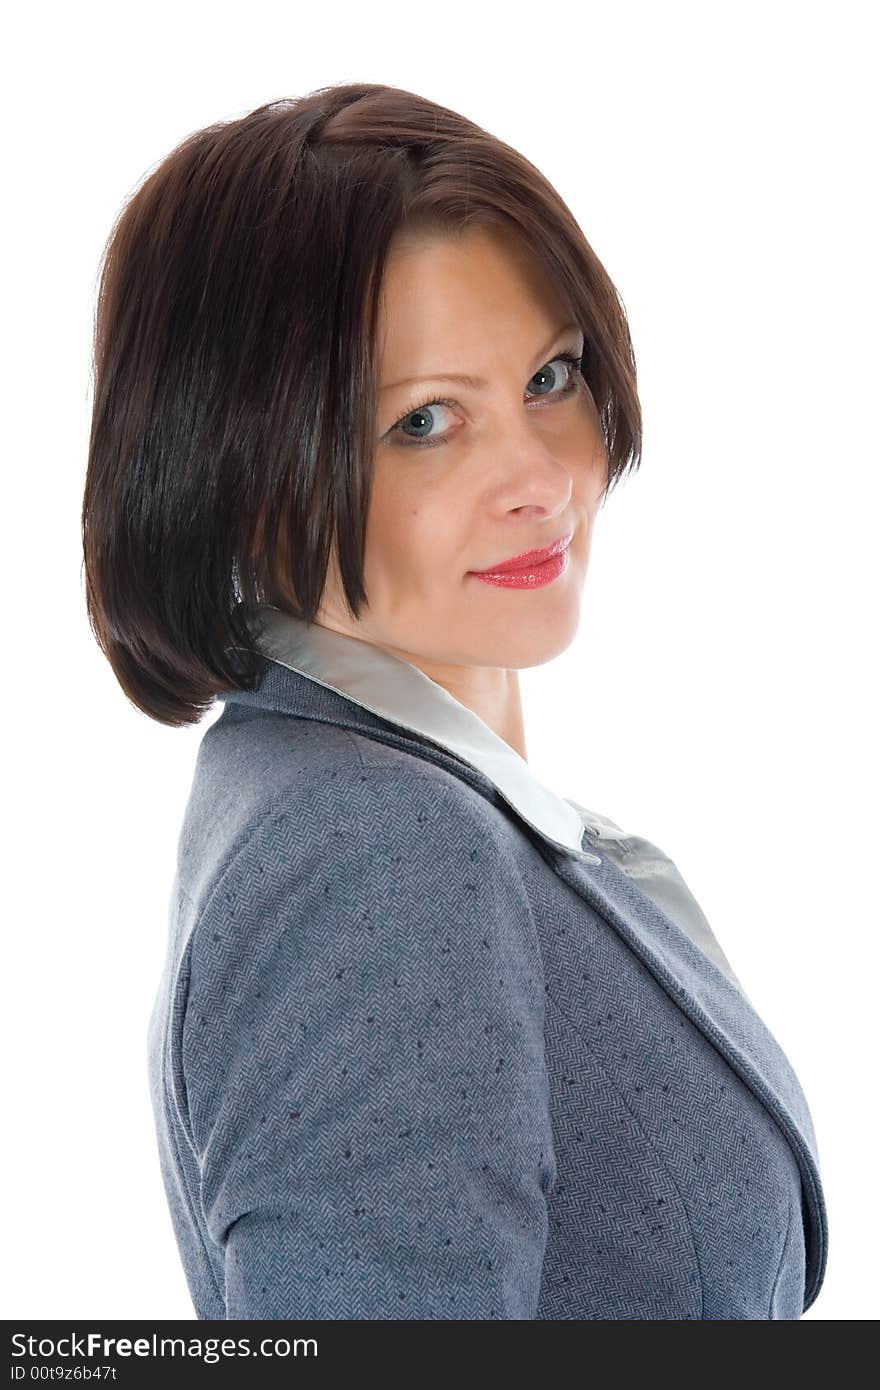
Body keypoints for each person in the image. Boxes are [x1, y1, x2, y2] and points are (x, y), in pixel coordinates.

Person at [81, 82, 828, 1319]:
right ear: (239, 464)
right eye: (424, 420)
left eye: (549, 375)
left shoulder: (346, 788)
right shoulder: (373, 848)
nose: (540, 477)